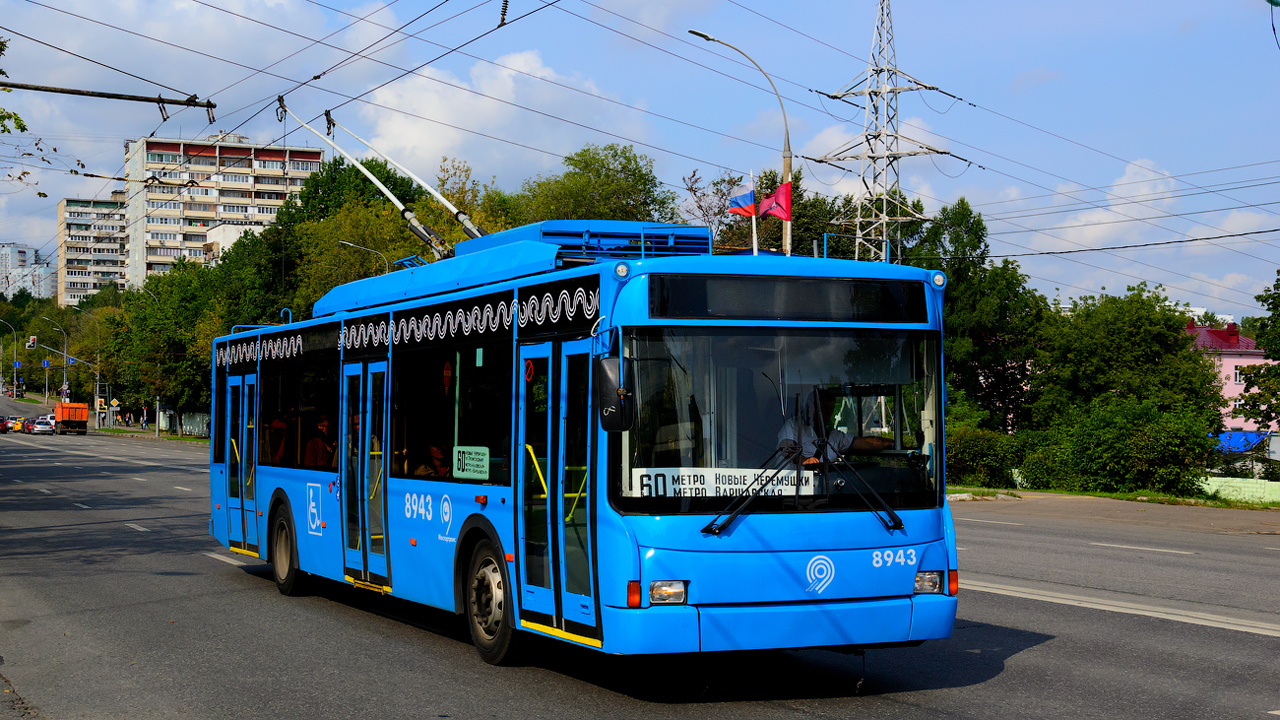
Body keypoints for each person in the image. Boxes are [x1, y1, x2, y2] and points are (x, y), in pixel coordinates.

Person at [778, 390, 893, 465]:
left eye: (831, 408)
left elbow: (867, 443)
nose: (830, 412)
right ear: (811, 406)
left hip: (824, 489)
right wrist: (805, 461)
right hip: (794, 488)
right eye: (825, 407)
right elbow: (787, 448)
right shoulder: (793, 426)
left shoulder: (834, 436)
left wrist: (893, 443)